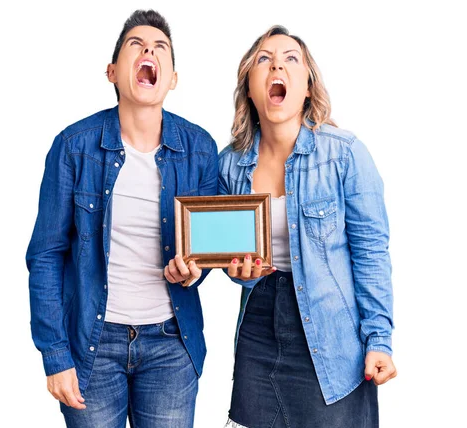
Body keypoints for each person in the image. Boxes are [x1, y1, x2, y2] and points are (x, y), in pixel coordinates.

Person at [26, 9, 218, 428]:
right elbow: (45, 255)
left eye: (160, 47)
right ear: (113, 72)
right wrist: (55, 355)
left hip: (171, 345)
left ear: (172, 78)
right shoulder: (73, 147)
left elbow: (203, 254)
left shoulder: (201, 149)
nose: (149, 49)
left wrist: (192, 272)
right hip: (92, 345)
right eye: (136, 44)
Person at [219, 25, 396, 427]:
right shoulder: (228, 164)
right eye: (264, 59)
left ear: (307, 86)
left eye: (290, 58)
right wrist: (240, 274)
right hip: (258, 331)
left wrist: (379, 340)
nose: (276, 64)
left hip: (332, 337)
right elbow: (224, 252)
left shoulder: (346, 155)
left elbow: (371, 254)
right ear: (249, 87)